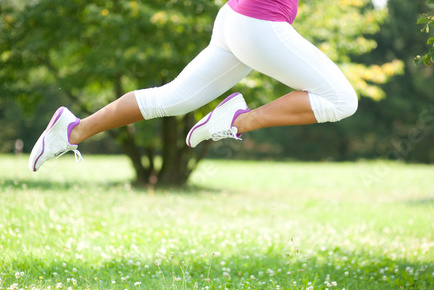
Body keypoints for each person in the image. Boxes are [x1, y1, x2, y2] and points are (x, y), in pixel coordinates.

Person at [29, 0, 358, 172]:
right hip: (259, 22)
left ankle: (72, 131)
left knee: (171, 99)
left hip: (236, 17)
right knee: (341, 100)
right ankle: (236, 119)